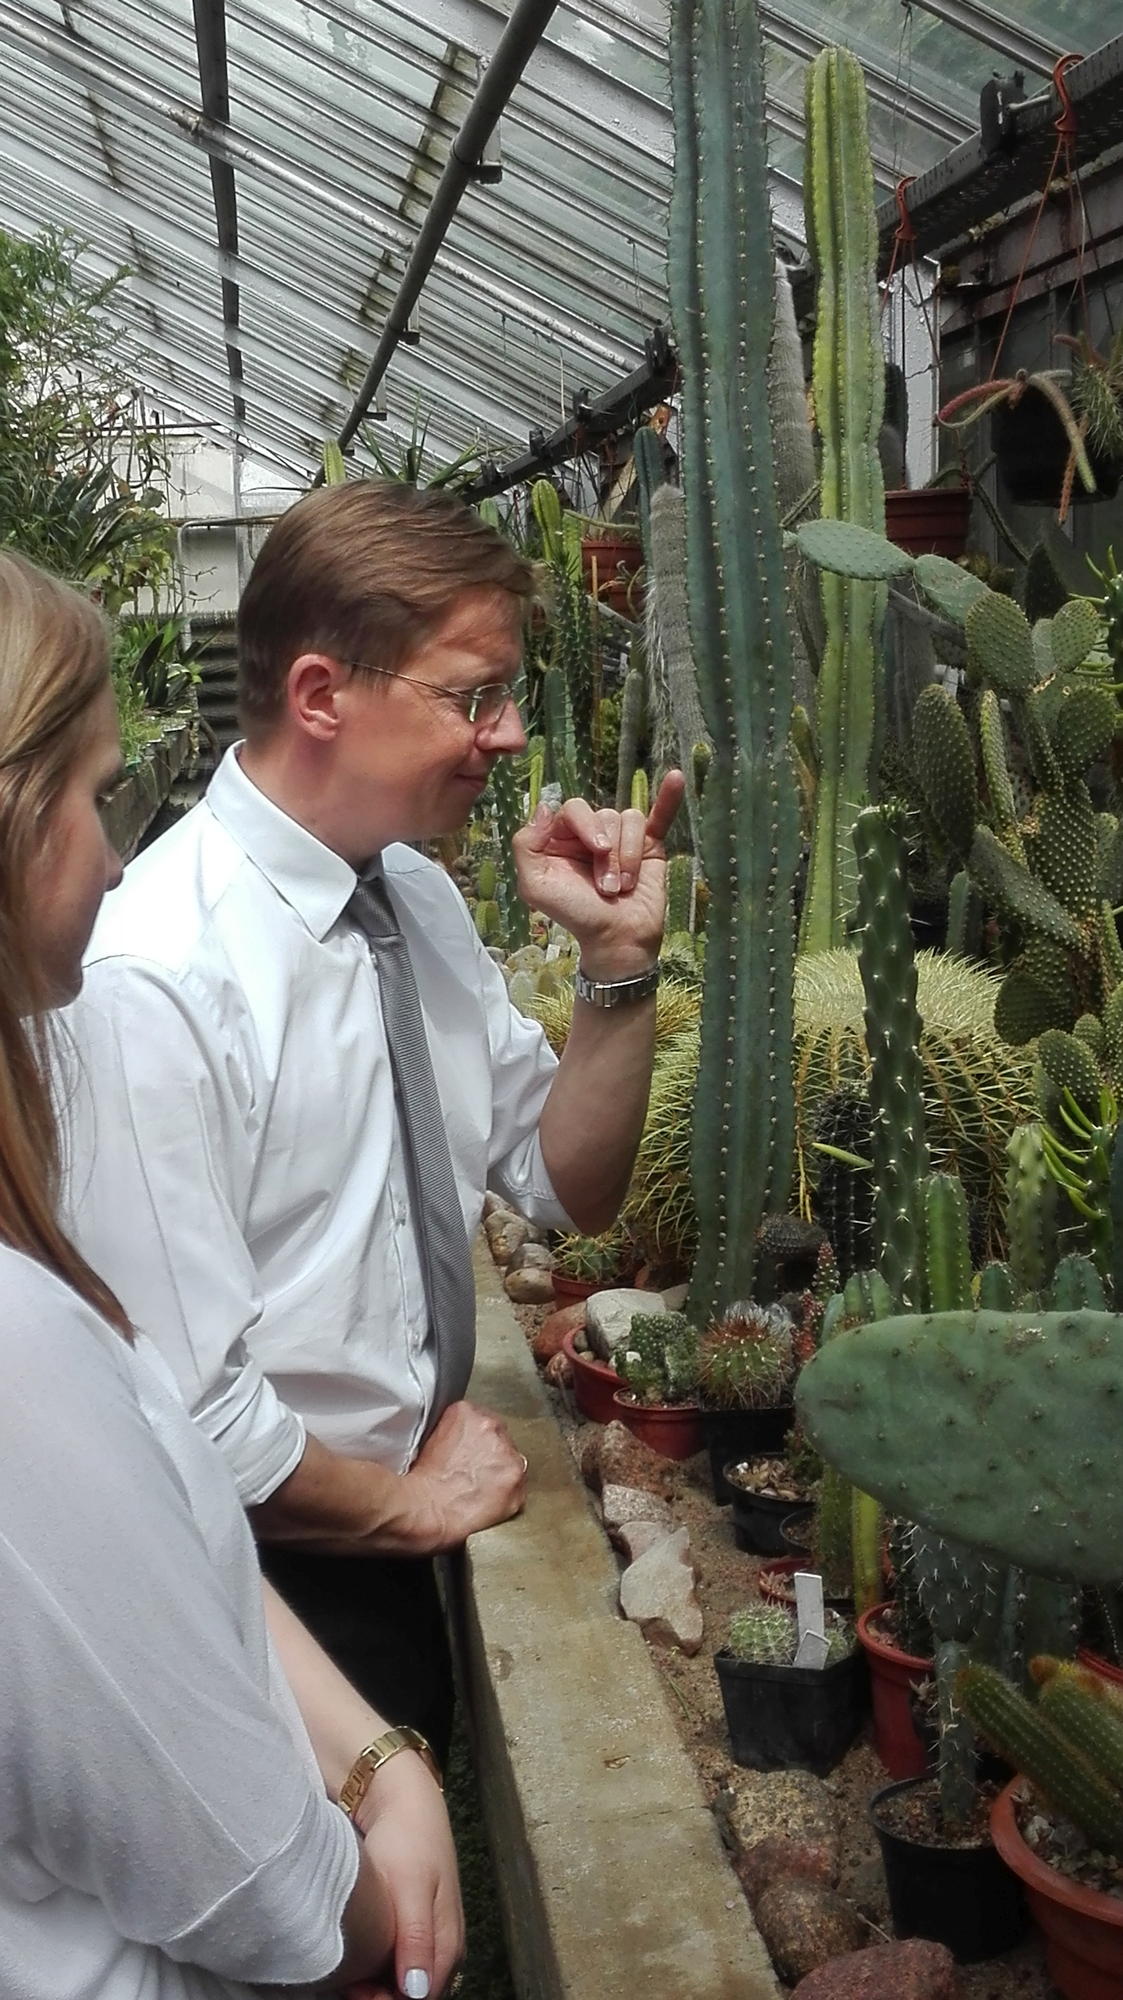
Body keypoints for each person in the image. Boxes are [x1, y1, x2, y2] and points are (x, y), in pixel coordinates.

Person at [62, 480, 684, 1763]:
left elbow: (562, 1180)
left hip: (379, 1534)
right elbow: (183, 1413)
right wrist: (405, 1506)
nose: (509, 733)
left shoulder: (412, 897)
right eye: (473, 694)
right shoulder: (159, 976)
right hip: (259, 1583)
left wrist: (617, 966)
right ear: (319, 695)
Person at [0, 547, 462, 2000]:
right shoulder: (150, 980)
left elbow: (151, 1545)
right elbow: (262, 1884)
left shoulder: (415, 904)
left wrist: (376, 1758)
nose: (112, 855)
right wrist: (374, 1884)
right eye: (93, 796)